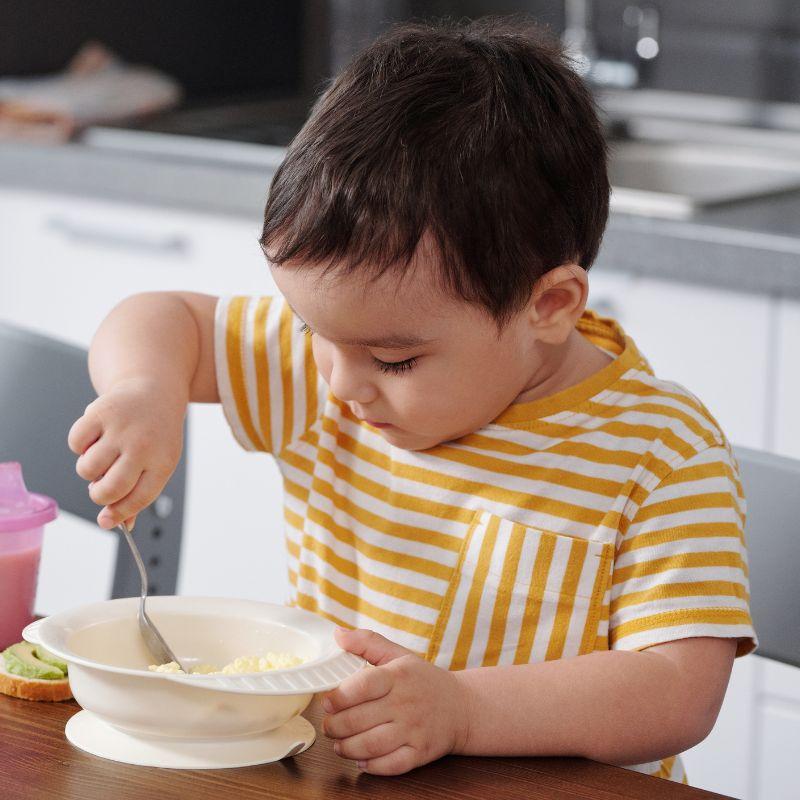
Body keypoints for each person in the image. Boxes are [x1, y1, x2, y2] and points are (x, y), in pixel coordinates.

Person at [68, 17, 755, 783]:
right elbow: (162, 318)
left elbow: (678, 691)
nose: (339, 383)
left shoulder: (660, 451)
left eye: (395, 359)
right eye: (311, 331)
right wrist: (146, 390)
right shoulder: (339, 351)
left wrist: (464, 710)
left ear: (550, 307)